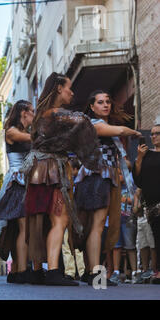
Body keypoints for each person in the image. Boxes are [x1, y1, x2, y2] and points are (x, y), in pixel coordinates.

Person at [23, 72, 101, 286]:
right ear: (59, 88)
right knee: (60, 219)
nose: (72, 92)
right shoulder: (57, 114)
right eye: (69, 88)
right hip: (52, 171)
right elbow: (86, 123)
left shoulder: (42, 114)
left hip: (38, 170)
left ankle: (38, 270)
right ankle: (54, 271)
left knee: (40, 221)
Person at [74, 90, 141, 286]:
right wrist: (135, 132)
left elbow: (121, 162)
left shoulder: (101, 126)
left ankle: (90, 272)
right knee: (96, 226)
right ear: (92, 107)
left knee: (94, 226)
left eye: (108, 102)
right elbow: (121, 131)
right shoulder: (94, 125)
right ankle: (96, 275)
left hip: (100, 177)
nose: (106, 105)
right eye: (101, 102)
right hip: (97, 177)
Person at [0, 100, 34, 284]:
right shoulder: (12, 131)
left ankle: (16, 270)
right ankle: (21, 270)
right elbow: (34, 140)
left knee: (17, 228)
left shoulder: (22, 132)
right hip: (17, 182)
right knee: (23, 226)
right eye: (32, 111)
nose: (33, 114)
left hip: (24, 181)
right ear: (23, 112)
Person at [133, 124, 160, 284]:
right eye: (152, 134)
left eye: (157, 133)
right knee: (157, 238)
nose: (154, 136)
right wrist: (139, 157)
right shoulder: (146, 154)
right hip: (151, 205)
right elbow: (138, 179)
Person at [109, 171, 140, 284]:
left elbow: (136, 198)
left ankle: (134, 272)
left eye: (120, 173)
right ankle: (116, 271)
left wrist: (126, 200)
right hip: (116, 219)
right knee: (116, 246)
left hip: (129, 220)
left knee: (130, 246)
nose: (118, 175)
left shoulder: (131, 185)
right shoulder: (113, 186)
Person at [134, 188, 156, 281]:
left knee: (152, 244)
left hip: (151, 214)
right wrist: (136, 204)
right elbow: (137, 193)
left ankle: (154, 270)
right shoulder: (141, 181)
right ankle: (145, 270)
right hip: (140, 216)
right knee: (142, 245)